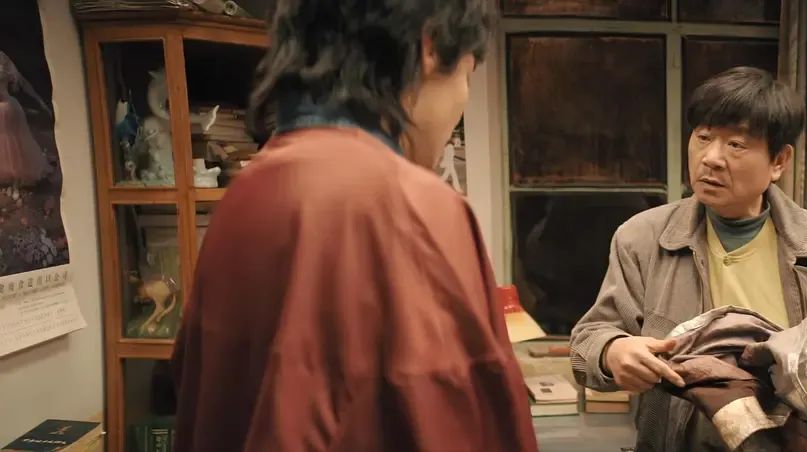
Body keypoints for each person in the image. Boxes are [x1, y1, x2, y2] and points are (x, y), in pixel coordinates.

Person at [170, 1, 537, 451]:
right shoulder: (417, 208)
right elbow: (466, 424)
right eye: (467, 75)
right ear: (430, 47)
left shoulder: (244, 194)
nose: (462, 100)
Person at [570, 67, 807, 451]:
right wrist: (612, 351)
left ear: (779, 161)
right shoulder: (642, 239)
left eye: (736, 145)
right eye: (703, 137)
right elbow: (588, 340)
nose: (711, 158)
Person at [0, 50, 51, 189]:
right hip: (7, 105)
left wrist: (40, 103)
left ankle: (16, 177)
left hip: (7, 107)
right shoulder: (5, 62)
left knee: (13, 140)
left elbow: (23, 84)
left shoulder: (4, 60)